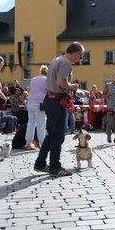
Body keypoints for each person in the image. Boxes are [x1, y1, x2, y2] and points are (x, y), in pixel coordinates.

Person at [34, 42, 83, 177]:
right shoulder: (66, 63)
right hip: (56, 102)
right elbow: (61, 82)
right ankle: (55, 166)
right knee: (58, 136)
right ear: (77, 53)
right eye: (80, 57)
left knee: (51, 134)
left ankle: (40, 163)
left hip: (50, 99)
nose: (78, 60)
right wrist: (72, 86)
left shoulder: (55, 60)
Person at [25, 65, 48, 149]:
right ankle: (43, 144)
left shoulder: (34, 79)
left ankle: (28, 143)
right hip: (39, 103)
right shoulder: (46, 80)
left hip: (30, 102)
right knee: (41, 124)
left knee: (31, 123)